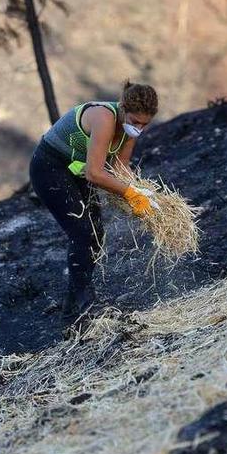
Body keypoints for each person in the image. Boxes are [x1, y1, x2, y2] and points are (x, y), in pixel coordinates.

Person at [29, 81, 158, 315]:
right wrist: (130, 194)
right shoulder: (104, 117)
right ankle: (82, 307)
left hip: (77, 171)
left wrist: (143, 192)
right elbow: (95, 173)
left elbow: (120, 167)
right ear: (123, 108)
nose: (138, 128)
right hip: (50, 167)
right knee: (82, 234)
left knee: (96, 234)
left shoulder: (131, 129)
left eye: (144, 124)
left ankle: (74, 305)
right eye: (135, 121)